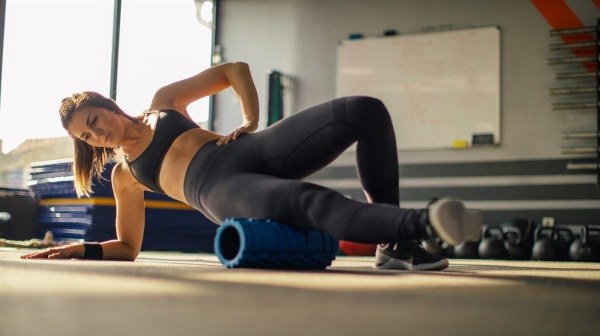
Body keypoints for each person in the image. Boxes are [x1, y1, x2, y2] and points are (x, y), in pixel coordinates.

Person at [21, 62, 482, 270]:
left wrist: (248, 120)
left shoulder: (163, 104)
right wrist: (82, 249)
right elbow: (128, 246)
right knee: (304, 201)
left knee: (364, 109)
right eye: (87, 136)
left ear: (107, 104)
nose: (97, 135)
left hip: (249, 149)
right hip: (222, 191)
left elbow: (233, 69)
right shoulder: (126, 175)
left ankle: (394, 245)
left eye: (94, 121)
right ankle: (423, 223)